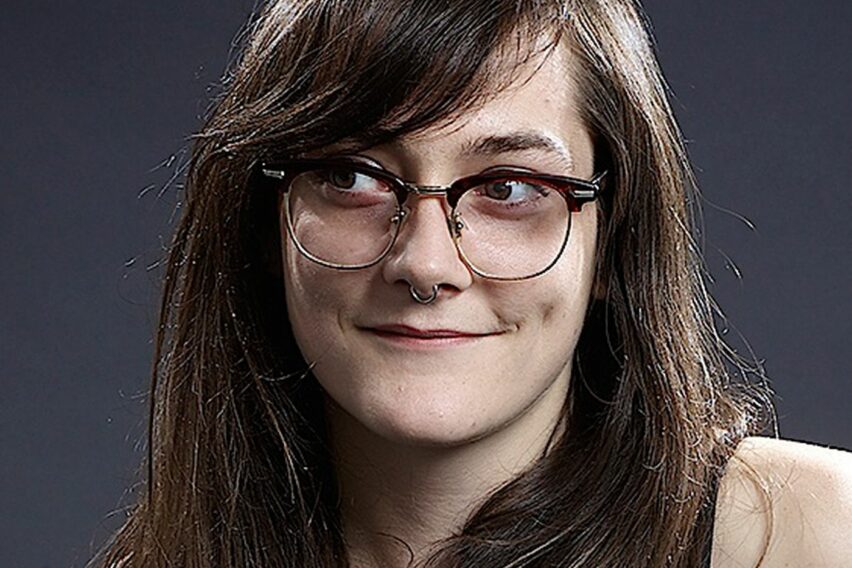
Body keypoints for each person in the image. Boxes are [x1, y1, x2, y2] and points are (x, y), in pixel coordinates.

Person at [92, 1, 852, 567]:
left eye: (510, 188)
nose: (425, 265)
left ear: (614, 242)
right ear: (265, 226)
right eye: (353, 178)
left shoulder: (821, 535)